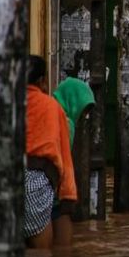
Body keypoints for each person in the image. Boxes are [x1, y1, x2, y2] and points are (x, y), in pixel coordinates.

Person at [25, 55, 76, 248]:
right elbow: (63, 154)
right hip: (36, 181)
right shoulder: (51, 107)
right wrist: (68, 196)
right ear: (42, 80)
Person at [52, 77, 95, 245]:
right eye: (84, 110)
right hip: (54, 182)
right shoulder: (66, 122)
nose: (84, 116)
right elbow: (62, 156)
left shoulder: (49, 110)